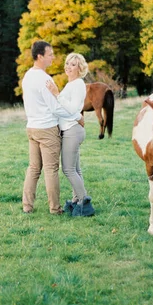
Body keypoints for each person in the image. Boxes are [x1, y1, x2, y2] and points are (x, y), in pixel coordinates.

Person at [21, 41, 84, 215]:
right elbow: (56, 108)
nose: (53, 57)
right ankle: (55, 209)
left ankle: (27, 205)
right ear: (40, 56)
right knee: (51, 169)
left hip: (31, 127)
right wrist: (77, 117)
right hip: (47, 129)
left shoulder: (27, 76)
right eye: (50, 54)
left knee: (34, 167)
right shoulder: (45, 79)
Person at [46, 53, 95, 217]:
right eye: (67, 63)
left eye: (73, 64)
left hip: (72, 131)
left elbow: (73, 109)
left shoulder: (78, 84)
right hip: (72, 128)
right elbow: (68, 111)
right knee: (75, 169)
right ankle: (77, 200)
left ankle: (84, 203)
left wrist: (57, 94)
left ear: (80, 68)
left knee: (68, 169)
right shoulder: (71, 84)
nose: (68, 66)